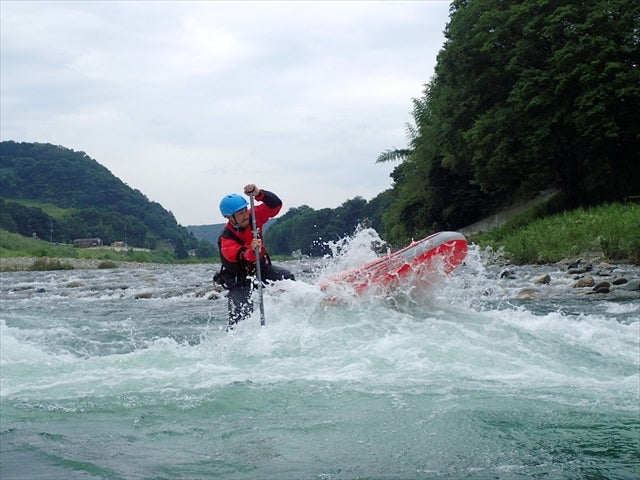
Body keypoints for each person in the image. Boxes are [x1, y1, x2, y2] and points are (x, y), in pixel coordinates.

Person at [214, 184, 295, 326]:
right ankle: (237, 338)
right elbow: (243, 256)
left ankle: (285, 316)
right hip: (239, 278)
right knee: (242, 313)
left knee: (287, 279)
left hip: (261, 268)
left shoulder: (253, 217)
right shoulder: (226, 238)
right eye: (240, 214)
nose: (245, 215)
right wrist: (252, 251)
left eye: (245, 210)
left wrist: (259, 193)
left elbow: (276, 205)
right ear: (230, 218)